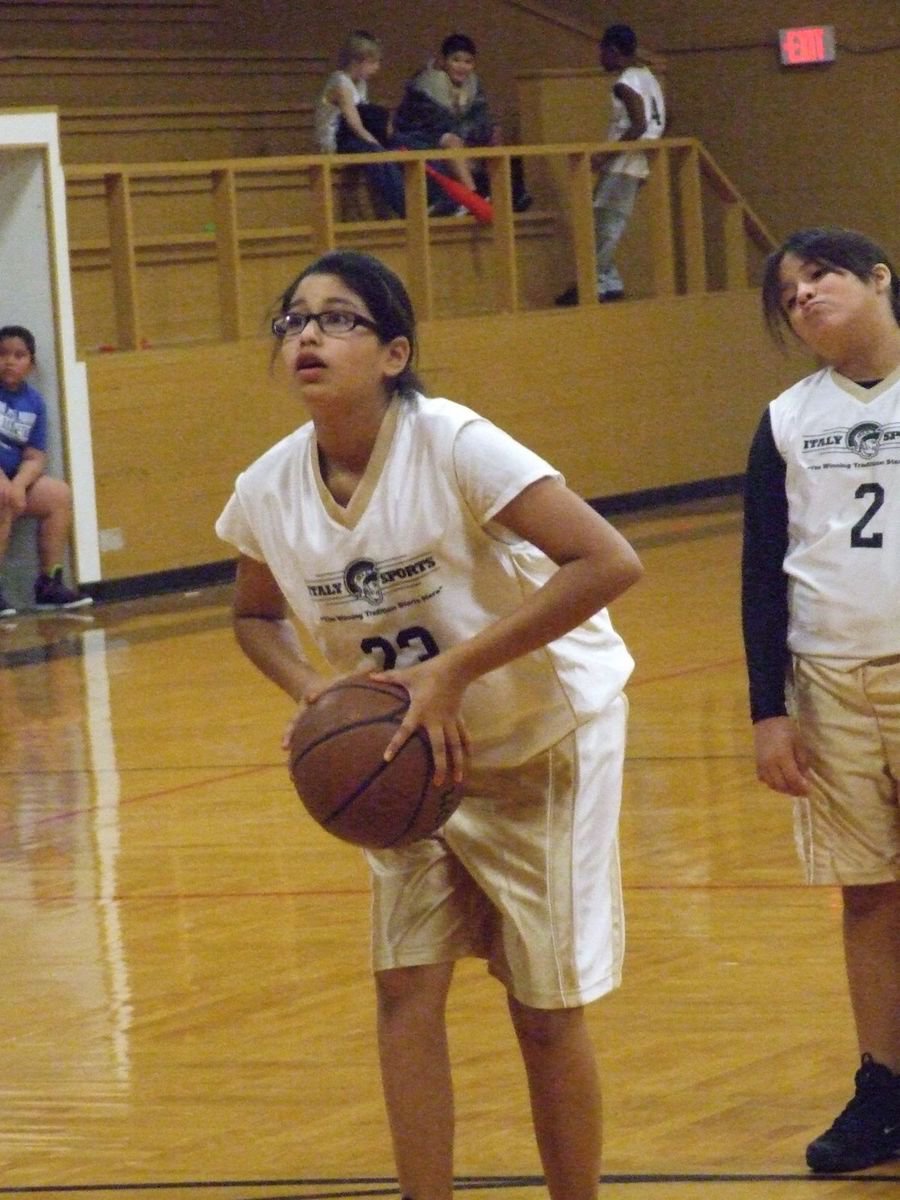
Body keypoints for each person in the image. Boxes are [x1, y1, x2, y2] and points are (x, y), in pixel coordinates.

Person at [215, 249, 642, 1199]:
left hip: (539, 738)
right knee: (406, 984)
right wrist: (314, 697)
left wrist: (454, 670)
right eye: (291, 321)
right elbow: (253, 615)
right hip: (406, 762)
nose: (307, 335)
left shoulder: (454, 443)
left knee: (542, 1007)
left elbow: (608, 561)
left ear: (395, 351)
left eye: (337, 318)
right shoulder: (266, 488)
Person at [742, 227, 900, 1174]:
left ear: (880, 279)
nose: (802, 297)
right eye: (788, 294)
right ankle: (884, 1084)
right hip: (831, 679)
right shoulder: (786, 418)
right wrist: (770, 708)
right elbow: (763, 570)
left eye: (820, 276)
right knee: (869, 892)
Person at [556, 25, 665, 306]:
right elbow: (662, 119)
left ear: (613, 51)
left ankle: (588, 284)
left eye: (602, 51)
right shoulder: (648, 76)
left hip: (623, 163)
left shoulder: (625, 82)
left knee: (604, 225)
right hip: (640, 160)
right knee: (604, 220)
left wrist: (606, 155)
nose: (600, 57)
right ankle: (609, 281)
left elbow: (639, 124)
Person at [0, 325, 92, 616]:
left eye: (19, 355)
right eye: (2, 354)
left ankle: (49, 584)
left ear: (31, 362)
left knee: (58, 494)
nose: (10, 361)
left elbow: (35, 456)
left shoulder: (35, 403)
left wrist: (19, 484)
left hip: (13, 480)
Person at [393, 33, 532, 216]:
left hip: (456, 140)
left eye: (468, 62)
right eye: (456, 60)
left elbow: (481, 122)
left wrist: (485, 134)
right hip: (418, 139)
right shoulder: (427, 85)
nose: (462, 67)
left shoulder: (473, 86)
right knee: (452, 141)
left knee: (492, 139)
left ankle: (509, 195)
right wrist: (465, 139)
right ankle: (473, 197)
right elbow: (437, 125)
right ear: (444, 61)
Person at [313, 30, 405, 217]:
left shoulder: (360, 83)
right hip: (335, 140)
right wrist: (376, 144)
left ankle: (424, 198)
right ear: (357, 61)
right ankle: (404, 206)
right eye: (373, 62)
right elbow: (354, 123)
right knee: (376, 153)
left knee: (399, 145)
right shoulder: (340, 83)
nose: (377, 68)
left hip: (351, 137)